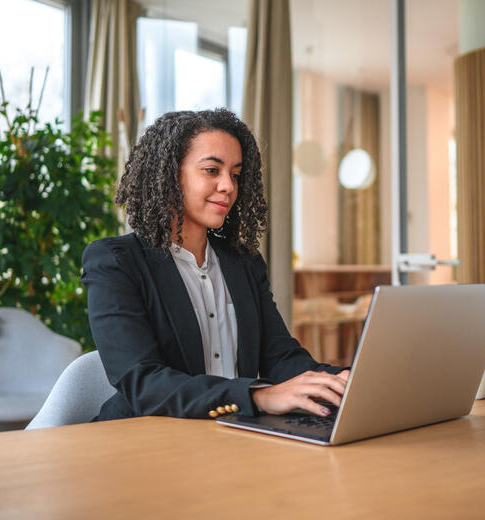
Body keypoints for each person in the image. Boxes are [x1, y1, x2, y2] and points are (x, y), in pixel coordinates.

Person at [81, 108, 349, 421]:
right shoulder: (115, 262)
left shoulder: (244, 263)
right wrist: (258, 396)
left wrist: (342, 380)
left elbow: (281, 357)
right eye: (212, 170)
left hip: (233, 436)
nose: (228, 186)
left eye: (235, 174)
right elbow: (144, 384)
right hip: (142, 442)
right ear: (169, 174)